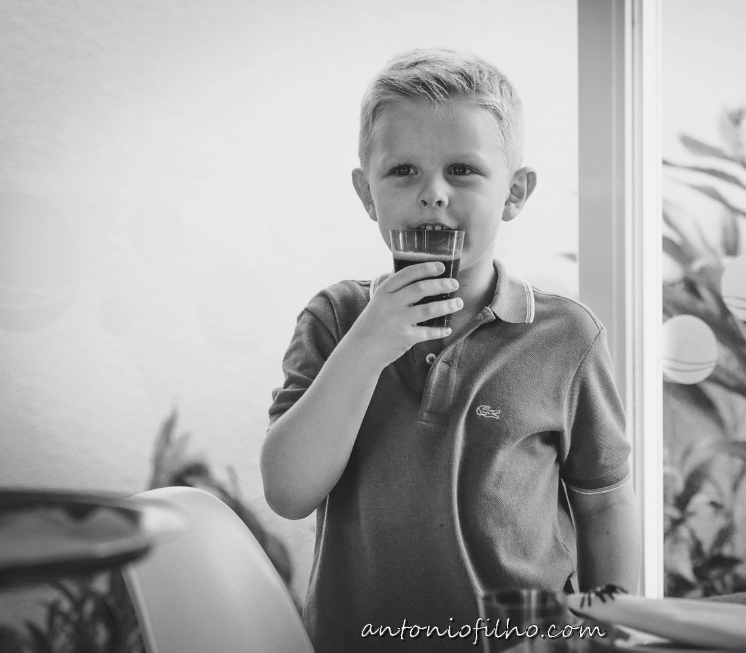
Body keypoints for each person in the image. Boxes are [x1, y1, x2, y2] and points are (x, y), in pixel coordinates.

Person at [261, 47, 639, 651]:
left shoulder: (567, 336)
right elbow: (288, 493)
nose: (433, 193)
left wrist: (609, 636)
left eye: (462, 169)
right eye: (402, 171)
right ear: (366, 193)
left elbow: (604, 507)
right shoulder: (335, 320)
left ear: (514, 192)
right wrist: (367, 346)